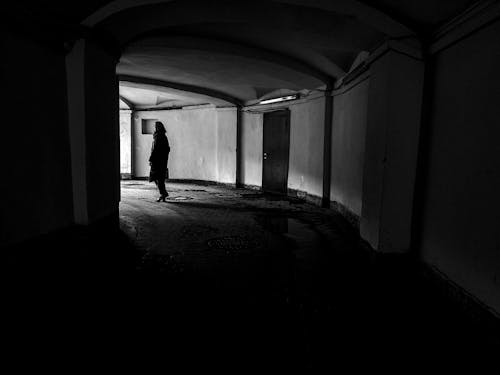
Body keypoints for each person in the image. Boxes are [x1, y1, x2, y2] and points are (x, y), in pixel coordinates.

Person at [149, 121, 171, 202]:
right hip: (162, 161)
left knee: (156, 177)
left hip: (157, 161)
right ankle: (163, 194)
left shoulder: (158, 136)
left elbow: (155, 150)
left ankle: (163, 193)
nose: (154, 127)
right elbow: (168, 149)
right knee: (160, 178)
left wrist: (151, 159)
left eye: (155, 126)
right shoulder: (163, 136)